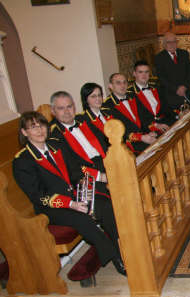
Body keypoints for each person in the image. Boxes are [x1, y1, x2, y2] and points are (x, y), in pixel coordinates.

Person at [13, 111, 126, 276]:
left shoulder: (56, 146)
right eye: (33, 127)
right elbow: (39, 196)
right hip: (51, 207)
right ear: (24, 132)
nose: (39, 130)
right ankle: (116, 258)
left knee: (106, 206)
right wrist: (71, 204)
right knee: (82, 218)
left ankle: (123, 250)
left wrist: (85, 190)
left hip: (73, 196)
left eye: (41, 125)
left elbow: (75, 173)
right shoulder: (22, 161)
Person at [49, 91, 109, 189]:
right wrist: (100, 176)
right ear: (53, 111)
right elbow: (71, 168)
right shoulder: (54, 137)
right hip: (89, 178)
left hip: (107, 163)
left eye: (69, 106)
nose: (67, 111)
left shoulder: (84, 120)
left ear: (74, 107)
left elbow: (105, 142)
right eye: (61, 108)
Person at [102, 73, 157, 155]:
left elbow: (144, 116)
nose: (122, 85)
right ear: (110, 86)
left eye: (124, 82)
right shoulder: (106, 106)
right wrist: (141, 137)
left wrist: (150, 130)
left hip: (144, 136)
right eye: (118, 83)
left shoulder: (132, 95)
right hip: (129, 145)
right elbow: (117, 132)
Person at [154, 32, 190, 116]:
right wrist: (176, 89)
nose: (172, 44)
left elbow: (189, 72)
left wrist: (185, 86)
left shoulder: (184, 54)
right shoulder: (159, 58)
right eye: (169, 42)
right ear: (164, 44)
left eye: (174, 41)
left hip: (186, 93)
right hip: (170, 96)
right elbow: (161, 78)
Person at [129, 60, 176, 131]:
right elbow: (136, 118)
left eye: (146, 72)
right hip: (147, 129)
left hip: (165, 123)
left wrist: (178, 115)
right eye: (140, 72)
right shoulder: (129, 94)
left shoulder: (157, 87)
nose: (144, 75)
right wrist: (155, 125)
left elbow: (167, 107)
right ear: (134, 74)